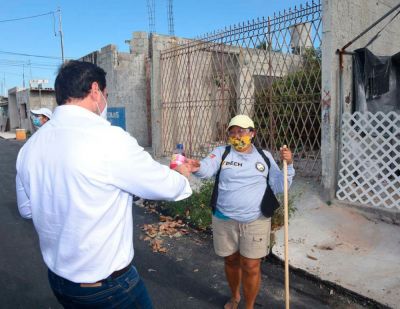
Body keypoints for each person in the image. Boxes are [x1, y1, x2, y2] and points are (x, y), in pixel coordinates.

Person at [16, 60, 192, 308]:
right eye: (106, 94)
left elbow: (26, 209)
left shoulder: (30, 148)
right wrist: (181, 175)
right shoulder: (108, 138)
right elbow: (164, 185)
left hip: (59, 280)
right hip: (107, 287)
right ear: (95, 90)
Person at [186, 115, 295, 309]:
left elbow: (279, 186)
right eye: (233, 131)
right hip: (224, 219)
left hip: (255, 219)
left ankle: (249, 305)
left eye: (242, 131)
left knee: (251, 266)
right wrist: (197, 167)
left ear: (252, 133)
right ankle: (235, 296)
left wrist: (289, 165)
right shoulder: (222, 153)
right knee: (231, 260)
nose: (237, 135)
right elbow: (206, 169)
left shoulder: (264, 157)